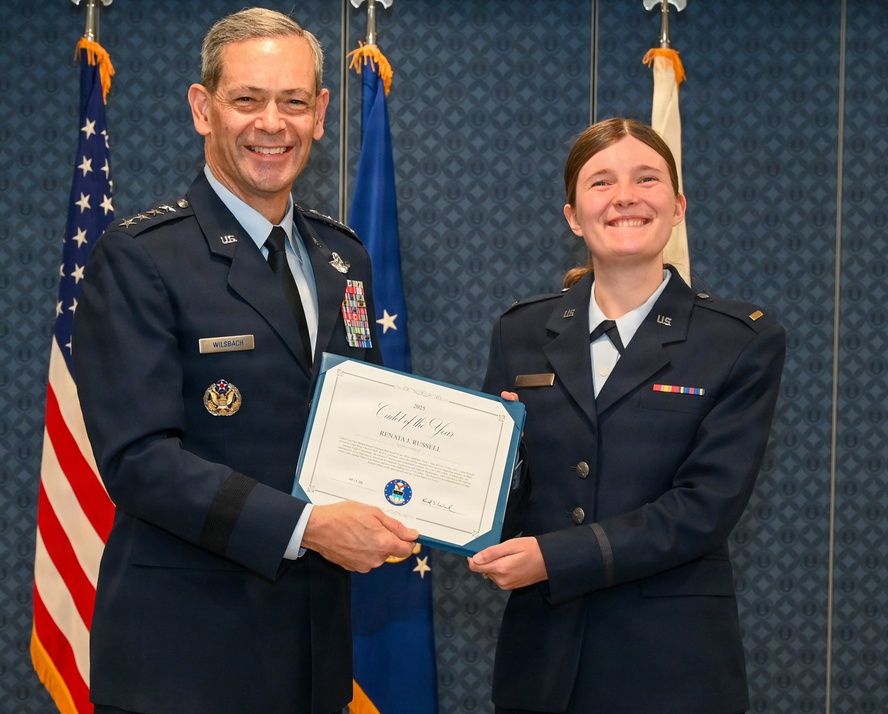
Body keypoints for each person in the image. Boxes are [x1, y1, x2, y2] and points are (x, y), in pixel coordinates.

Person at [72, 9, 418, 714]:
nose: (272, 123)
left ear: (321, 113)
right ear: (204, 109)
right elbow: (139, 461)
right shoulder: (141, 257)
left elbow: (368, 417)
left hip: (314, 657)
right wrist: (308, 527)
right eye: (247, 99)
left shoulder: (343, 257)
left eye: (293, 101)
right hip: (184, 661)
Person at [468, 117, 785, 714]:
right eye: (601, 182)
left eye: (646, 178)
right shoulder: (522, 331)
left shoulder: (739, 340)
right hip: (543, 665)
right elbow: (499, 496)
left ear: (678, 206)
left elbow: (705, 507)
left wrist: (556, 558)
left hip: (671, 668)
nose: (625, 197)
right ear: (572, 216)